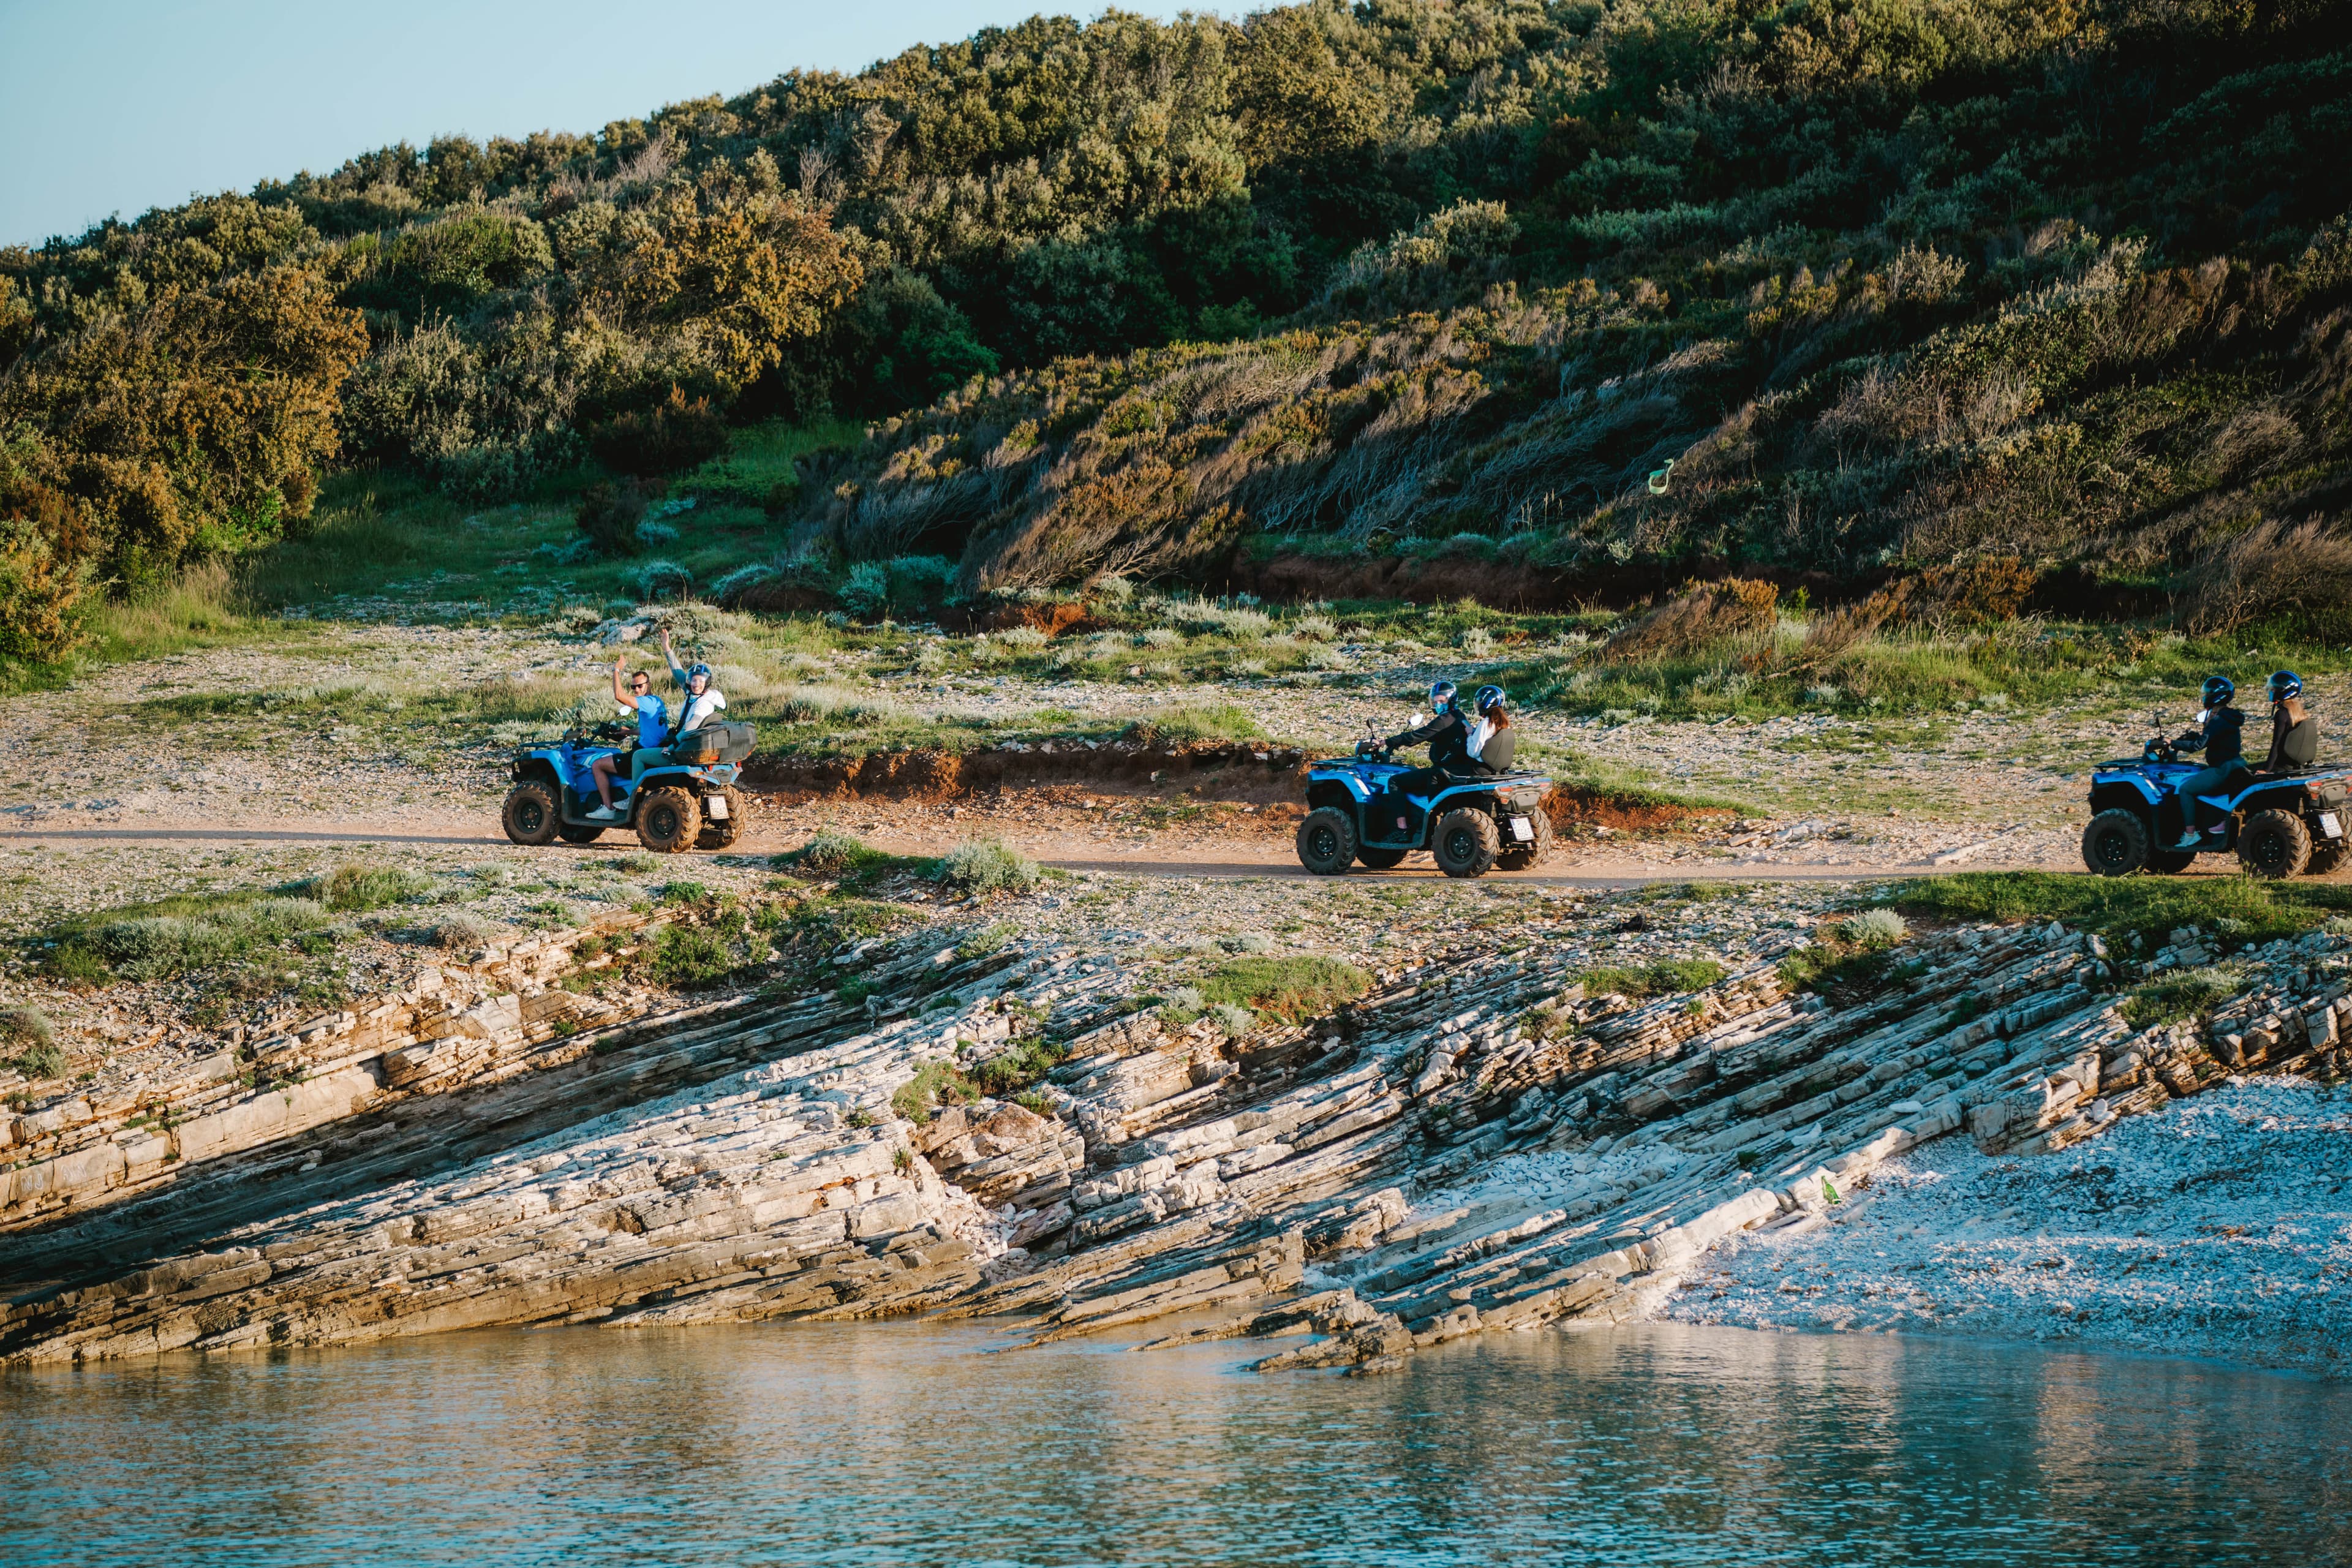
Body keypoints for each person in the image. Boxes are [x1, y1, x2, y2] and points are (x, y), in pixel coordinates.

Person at [2169, 676, 2249, 850]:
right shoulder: (2229, 717)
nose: (2204, 697)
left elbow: (2197, 746)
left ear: (2215, 696)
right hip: (2235, 765)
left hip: (2222, 769)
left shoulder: (2218, 720)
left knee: (2185, 789)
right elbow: (2212, 739)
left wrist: (2171, 743)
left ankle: (2191, 834)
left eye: (2207, 694)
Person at [588, 658, 669, 821]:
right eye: (633, 687)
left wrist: (616, 670)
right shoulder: (657, 702)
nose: (637, 690)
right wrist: (629, 731)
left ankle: (608, 808)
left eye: (640, 686)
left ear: (649, 684)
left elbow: (619, 696)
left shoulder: (645, 702)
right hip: (653, 748)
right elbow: (652, 731)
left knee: (597, 765)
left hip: (642, 753)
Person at [1382, 680, 1472, 801]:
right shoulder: (1458, 716)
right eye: (1435, 702)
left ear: (1451, 700)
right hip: (1456, 767)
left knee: (1394, 781)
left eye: (1442, 701)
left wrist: (1385, 742)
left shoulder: (1444, 719)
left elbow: (1417, 736)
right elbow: (1430, 735)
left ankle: (1401, 821)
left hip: (1445, 770)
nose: (1438, 705)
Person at [2262, 669, 2318, 774]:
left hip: (2283, 765)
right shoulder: (2299, 711)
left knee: (2239, 773)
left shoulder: (2282, 714)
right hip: (2298, 765)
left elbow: (2277, 745)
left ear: (2282, 691)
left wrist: (2266, 770)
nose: (2271, 691)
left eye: (2273, 689)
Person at [1464, 684, 1516, 774]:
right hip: (1498, 769)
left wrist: (1469, 735)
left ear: (1486, 703)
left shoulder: (1486, 723)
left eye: (1479, 701)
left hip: (1482, 769)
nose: (1478, 705)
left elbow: (1474, 752)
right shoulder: (1504, 723)